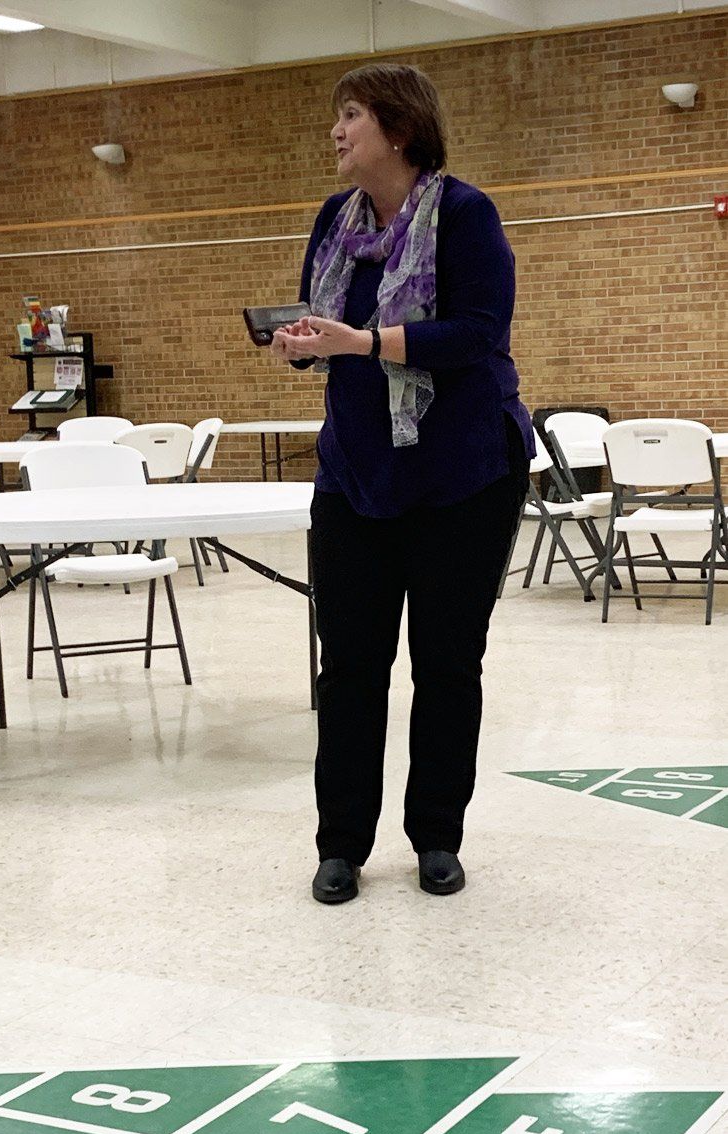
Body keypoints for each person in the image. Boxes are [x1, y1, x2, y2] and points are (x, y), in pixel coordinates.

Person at [270, 62, 534, 904]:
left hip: (462, 473)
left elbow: (477, 333)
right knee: (349, 666)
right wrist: (306, 343)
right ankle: (342, 844)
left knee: (447, 664)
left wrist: (361, 343)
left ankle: (437, 840)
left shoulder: (464, 214)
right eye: (337, 116)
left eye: (351, 115)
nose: (337, 131)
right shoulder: (334, 220)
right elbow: (329, 326)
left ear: (400, 129)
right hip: (356, 473)